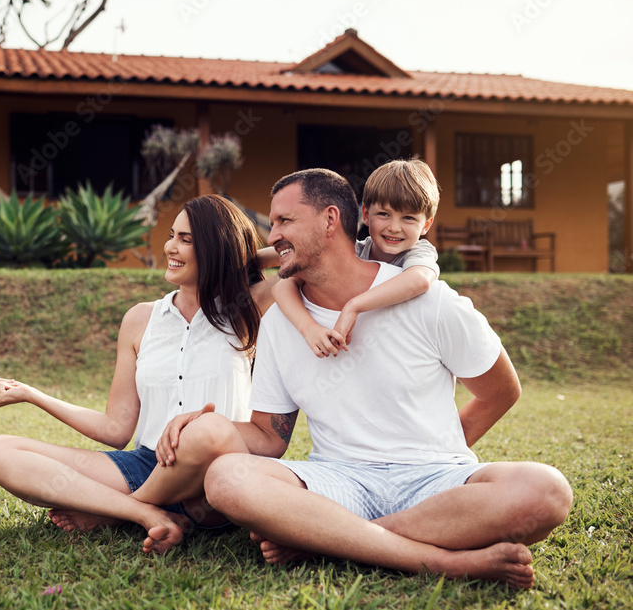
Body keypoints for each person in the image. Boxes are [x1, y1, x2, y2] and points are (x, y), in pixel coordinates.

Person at [174, 168, 572, 588]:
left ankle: (328, 539)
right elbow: (269, 437)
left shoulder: (430, 300)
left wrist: (439, 448)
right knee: (226, 478)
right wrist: (206, 425)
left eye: (284, 221)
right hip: (339, 481)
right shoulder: (281, 321)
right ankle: (445, 561)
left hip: (434, 479)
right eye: (272, 224)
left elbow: (501, 391)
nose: (272, 236)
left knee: (547, 490)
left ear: (331, 220)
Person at [0, 195, 282, 554]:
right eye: (172, 235)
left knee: (204, 432)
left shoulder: (249, 306)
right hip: (146, 464)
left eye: (187, 240)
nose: (170, 246)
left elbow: (302, 258)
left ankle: (111, 511)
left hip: (212, 475)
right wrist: (32, 394)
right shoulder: (140, 318)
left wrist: (239, 258)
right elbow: (116, 429)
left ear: (217, 249)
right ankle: (143, 512)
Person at [272, 159, 440, 357]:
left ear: (426, 224)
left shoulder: (420, 252)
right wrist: (310, 329)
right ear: (366, 215)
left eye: (409, 218)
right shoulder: (359, 250)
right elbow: (282, 285)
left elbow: (419, 280)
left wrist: (354, 307)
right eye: (384, 214)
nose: (394, 227)